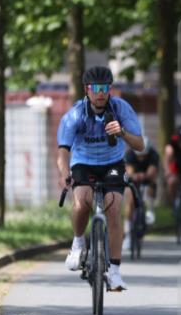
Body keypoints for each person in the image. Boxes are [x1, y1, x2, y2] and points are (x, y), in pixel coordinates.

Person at [57, 66, 144, 291]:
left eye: (105, 88)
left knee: (114, 209)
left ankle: (114, 272)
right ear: (87, 90)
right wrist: (65, 173)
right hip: (83, 163)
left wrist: (122, 132)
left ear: (110, 90)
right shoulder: (76, 114)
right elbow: (63, 151)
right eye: (96, 88)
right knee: (82, 201)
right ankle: (77, 243)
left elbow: (140, 145)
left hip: (112, 163)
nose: (100, 93)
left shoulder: (121, 109)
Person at [124, 138, 159, 250]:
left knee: (152, 183)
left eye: (144, 155)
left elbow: (152, 171)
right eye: (139, 156)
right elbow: (129, 171)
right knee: (130, 199)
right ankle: (128, 233)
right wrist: (134, 176)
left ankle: (150, 209)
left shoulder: (153, 154)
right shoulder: (129, 154)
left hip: (147, 177)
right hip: (134, 178)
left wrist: (146, 176)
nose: (141, 158)